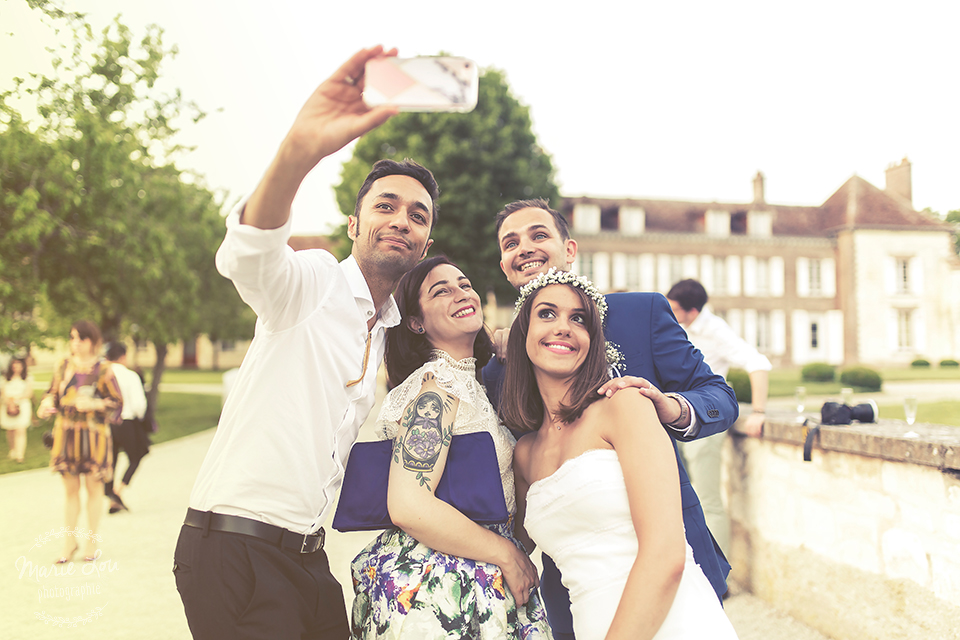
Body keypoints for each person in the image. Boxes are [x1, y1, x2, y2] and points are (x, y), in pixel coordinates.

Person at [173, 46, 436, 640]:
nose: (401, 220)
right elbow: (251, 257)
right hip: (235, 547)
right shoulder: (315, 282)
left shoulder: (390, 328)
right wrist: (301, 150)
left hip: (307, 559)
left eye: (417, 216)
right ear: (354, 224)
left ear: (425, 240)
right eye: (385, 206)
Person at [485, 198, 738, 638]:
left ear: (570, 250)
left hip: (671, 559)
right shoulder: (497, 370)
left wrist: (669, 406)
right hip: (575, 588)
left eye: (538, 235)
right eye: (511, 243)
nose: (524, 247)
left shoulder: (642, 314)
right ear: (505, 266)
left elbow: (720, 395)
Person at [350, 256, 551, 639]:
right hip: (441, 584)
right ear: (415, 322)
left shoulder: (471, 386)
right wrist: (507, 553)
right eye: (441, 290)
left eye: (463, 283)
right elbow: (410, 505)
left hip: (481, 573)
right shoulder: (437, 389)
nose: (461, 293)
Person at [667, 278, 771, 556]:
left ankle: (719, 580)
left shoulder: (716, 331)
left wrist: (758, 412)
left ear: (692, 311)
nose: (670, 313)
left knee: (707, 500)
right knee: (682, 499)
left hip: (705, 424)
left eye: (674, 309)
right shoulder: (678, 327)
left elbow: (757, 362)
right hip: (676, 421)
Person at [37, 320, 122, 563]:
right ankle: (69, 542)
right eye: (72, 337)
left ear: (93, 341)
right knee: (70, 491)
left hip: (94, 435)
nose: (75, 343)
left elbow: (117, 404)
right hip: (66, 434)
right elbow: (52, 393)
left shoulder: (104, 369)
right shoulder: (63, 365)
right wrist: (46, 404)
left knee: (93, 489)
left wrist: (94, 403)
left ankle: (91, 541)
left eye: (81, 338)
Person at [103, 342, 149, 514]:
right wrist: (142, 419)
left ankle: (111, 496)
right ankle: (117, 491)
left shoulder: (103, 376)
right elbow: (139, 404)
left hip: (107, 423)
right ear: (123, 356)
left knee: (110, 460)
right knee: (137, 455)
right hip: (127, 422)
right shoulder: (130, 376)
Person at [2, 356, 33, 463]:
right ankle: (13, 450)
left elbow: (29, 393)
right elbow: (3, 392)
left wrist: (18, 401)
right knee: (10, 429)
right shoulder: (5, 379)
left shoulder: (27, 378)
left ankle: (20, 454)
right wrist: (9, 402)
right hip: (8, 405)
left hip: (22, 405)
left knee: (20, 429)